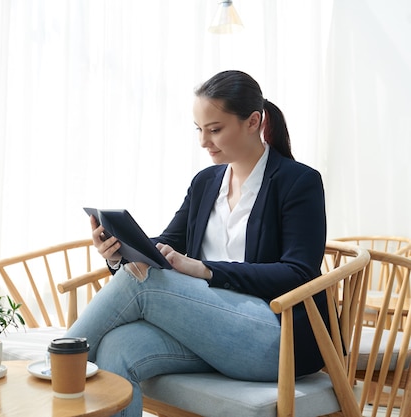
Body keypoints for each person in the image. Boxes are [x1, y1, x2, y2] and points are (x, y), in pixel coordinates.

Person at [65, 70, 327, 417]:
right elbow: (164, 245)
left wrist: (204, 269)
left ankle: (50, 366)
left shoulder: (298, 182)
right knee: (118, 346)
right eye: (199, 130)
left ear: (253, 122)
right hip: (207, 326)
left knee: (143, 281)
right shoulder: (206, 182)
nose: (204, 141)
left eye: (215, 129)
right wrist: (119, 252)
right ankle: (58, 366)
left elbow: (298, 272)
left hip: (275, 336)